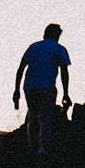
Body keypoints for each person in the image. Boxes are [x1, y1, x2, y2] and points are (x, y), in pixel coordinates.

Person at [14, 23, 71, 154]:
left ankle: (32, 147)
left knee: (33, 117)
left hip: (30, 86)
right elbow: (64, 72)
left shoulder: (33, 47)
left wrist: (16, 89)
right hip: (47, 86)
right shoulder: (59, 49)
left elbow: (21, 68)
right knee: (45, 117)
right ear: (57, 35)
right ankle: (43, 148)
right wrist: (66, 93)